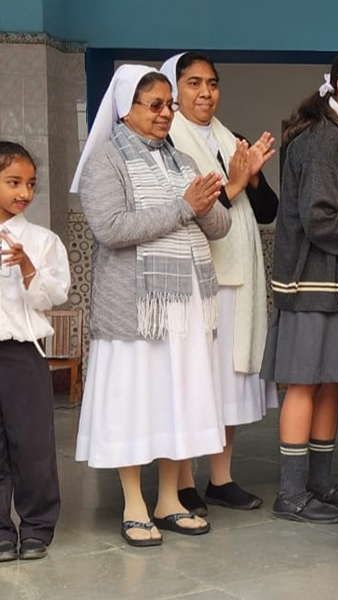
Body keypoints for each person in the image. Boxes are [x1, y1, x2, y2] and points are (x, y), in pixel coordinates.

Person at [73, 64, 231, 547]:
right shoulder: (106, 162)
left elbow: (220, 226)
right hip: (135, 309)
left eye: (170, 105)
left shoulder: (182, 159)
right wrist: (185, 207)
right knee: (135, 403)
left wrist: (204, 205)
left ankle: (169, 499)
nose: (166, 114)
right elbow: (112, 229)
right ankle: (133, 504)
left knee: (176, 402)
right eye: (156, 105)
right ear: (126, 110)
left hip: (184, 308)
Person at [263, 46, 338, 524]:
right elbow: (319, 220)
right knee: (304, 384)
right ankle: (291, 493)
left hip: (337, 281)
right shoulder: (321, 137)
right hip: (310, 283)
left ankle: (319, 483)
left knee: (332, 381)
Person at [159, 51, 279, 515]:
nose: (205, 92)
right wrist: (233, 181)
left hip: (241, 278)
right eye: (192, 83)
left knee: (228, 380)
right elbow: (193, 214)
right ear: (174, 89)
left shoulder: (234, 139)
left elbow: (265, 211)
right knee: (198, 381)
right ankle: (184, 481)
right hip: (198, 279)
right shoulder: (168, 143)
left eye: (211, 82)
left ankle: (221, 477)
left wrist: (251, 174)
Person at [0, 142, 70, 562]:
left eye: (30, 184)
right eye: (13, 183)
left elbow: (55, 294)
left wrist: (27, 266)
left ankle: (37, 528)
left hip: (21, 354)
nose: (24, 193)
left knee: (32, 444)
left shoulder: (43, 241)